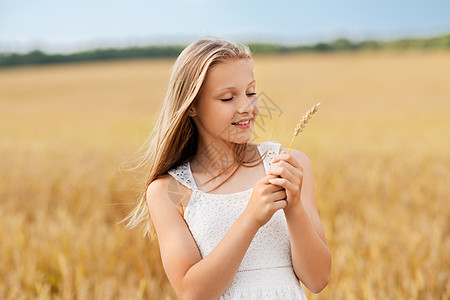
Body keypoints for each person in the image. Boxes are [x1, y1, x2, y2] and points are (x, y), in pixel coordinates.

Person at [124, 36, 331, 299]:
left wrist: (294, 208)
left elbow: (318, 279)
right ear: (192, 107)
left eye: (251, 92)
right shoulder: (171, 190)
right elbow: (192, 293)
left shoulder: (288, 163)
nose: (246, 107)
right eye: (227, 98)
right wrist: (251, 218)